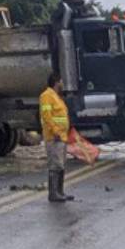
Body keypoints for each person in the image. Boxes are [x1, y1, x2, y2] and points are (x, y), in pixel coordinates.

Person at [39, 71, 74, 202]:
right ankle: (53, 193)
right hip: (54, 137)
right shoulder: (46, 96)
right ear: (56, 82)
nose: (62, 83)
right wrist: (55, 132)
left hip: (61, 136)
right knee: (55, 164)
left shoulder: (56, 96)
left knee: (61, 164)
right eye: (61, 81)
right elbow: (47, 116)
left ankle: (60, 192)